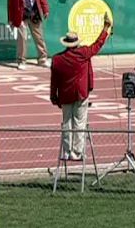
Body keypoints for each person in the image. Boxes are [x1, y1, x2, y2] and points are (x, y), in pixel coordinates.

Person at [50, 13, 112, 160]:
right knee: (79, 122)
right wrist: (105, 29)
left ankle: (66, 152)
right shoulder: (83, 53)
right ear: (76, 43)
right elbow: (97, 45)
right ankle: (77, 152)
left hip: (65, 95)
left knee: (67, 123)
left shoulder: (57, 59)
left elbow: (54, 80)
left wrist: (53, 96)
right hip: (80, 93)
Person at [8, 0, 50, 70]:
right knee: (22, 38)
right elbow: (10, 2)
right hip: (21, 13)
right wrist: (11, 19)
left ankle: (43, 58)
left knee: (39, 36)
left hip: (34, 11)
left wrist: (45, 9)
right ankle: (21, 61)